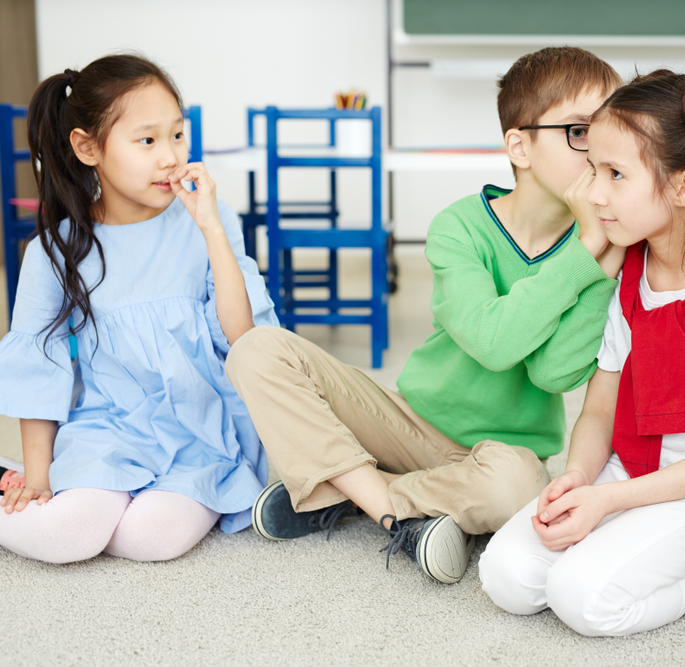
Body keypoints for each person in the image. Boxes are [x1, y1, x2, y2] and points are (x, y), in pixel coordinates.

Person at [224, 47, 625, 585]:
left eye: (607, 132)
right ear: (519, 146)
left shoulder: (605, 249)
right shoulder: (459, 226)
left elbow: (553, 374)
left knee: (519, 493)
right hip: (406, 423)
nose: (597, 150)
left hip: (506, 453)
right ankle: (400, 511)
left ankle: (349, 496)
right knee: (257, 348)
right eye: (579, 131)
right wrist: (582, 257)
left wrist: (598, 262)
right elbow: (492, 340)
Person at [478, 69, 685, 636]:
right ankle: (615, 514)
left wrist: (609, 502)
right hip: (630, 466)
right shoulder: (628, 267)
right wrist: (581, 478)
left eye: (614, 174)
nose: (592, 193)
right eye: (592, 169)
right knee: (507, 578)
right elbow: (600, 410)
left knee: (584, 600)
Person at [0, 54, 276, 564]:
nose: (170, 157)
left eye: (178, 136)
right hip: (107, 428)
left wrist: (212, 229)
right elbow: (40, 368)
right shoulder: (55, 252)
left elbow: (243, 336)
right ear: (88, 148)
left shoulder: (211, 223)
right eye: (147, 140)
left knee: (152, 540)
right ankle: (17, 479)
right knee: (69, 536)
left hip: (202, 431)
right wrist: (37, 477)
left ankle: (108, 495)